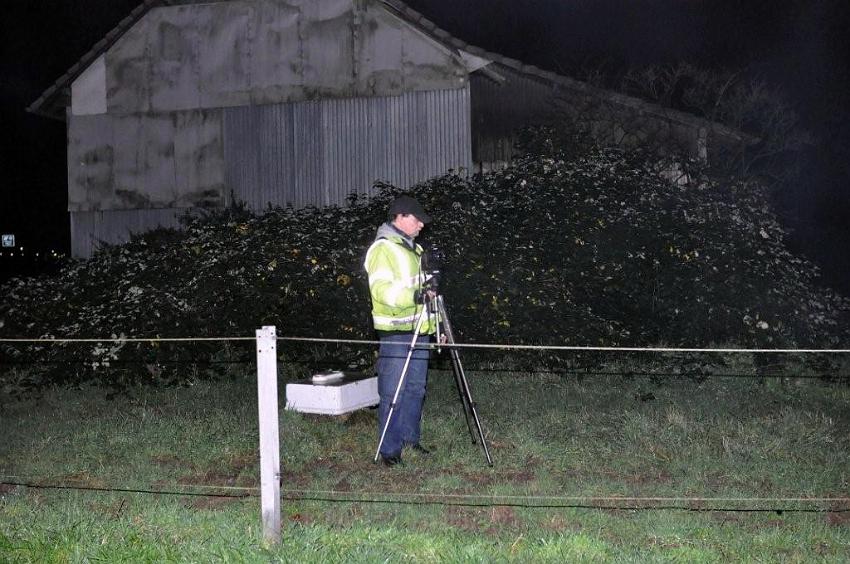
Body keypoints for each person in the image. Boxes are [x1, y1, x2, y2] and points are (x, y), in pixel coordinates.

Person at [364, 195, 437, 466]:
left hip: (420, 330)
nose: (421, 225)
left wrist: (437, 324)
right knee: (393, 391)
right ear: (402, 217)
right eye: (417, 220)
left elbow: (429, 292)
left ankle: (410, 439)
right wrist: (415, 296)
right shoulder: (383, 249)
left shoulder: (415, 250)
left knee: (416, 388)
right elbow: (381, 291)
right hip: (396, 332)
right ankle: (390, 451)